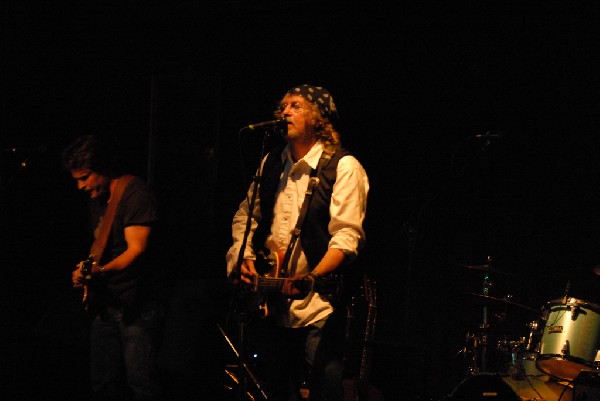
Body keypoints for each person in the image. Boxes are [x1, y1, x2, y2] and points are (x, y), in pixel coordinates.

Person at [226, 84, 369, 401]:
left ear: (319, 119)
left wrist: (312, 277)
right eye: (283, 106)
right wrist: (242, 258)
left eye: (295, 106)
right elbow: (244, 216)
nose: (284, 112)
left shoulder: (344, 167)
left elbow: (347, 237)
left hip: (321, 306)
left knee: (324, 390)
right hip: (273, 305)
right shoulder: (272, 163)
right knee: (278, 390)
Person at [63, 134, 164, 401]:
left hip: (136, 303)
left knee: (141, 382)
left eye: (85, 178)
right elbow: (102, 246)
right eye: (77, 180)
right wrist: (85, 273)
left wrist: (101, 272)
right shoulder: (98, 199)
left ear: (103, 169)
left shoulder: (135, 193)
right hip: (106, 303)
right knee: (104, 382)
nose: (81, 186)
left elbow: (136, 249)